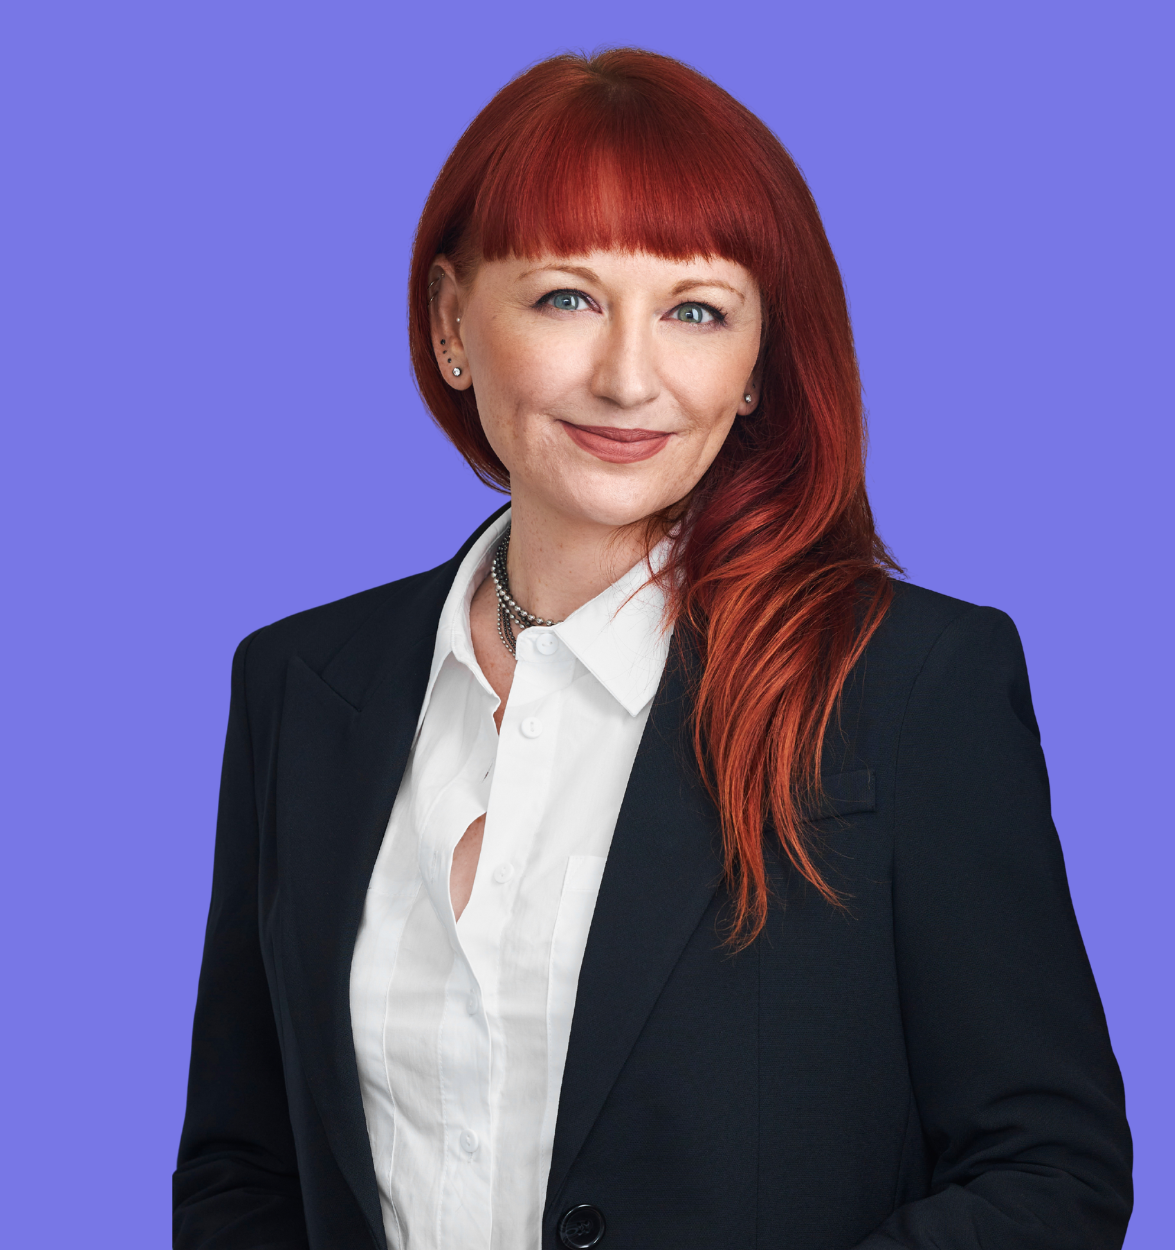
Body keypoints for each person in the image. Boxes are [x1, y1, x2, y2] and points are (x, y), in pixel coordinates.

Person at [172, 48, 1131, 1250]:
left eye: (695, 311)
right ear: (452, 322)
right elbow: (241, 1165)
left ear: (752, 370)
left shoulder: (907, 684)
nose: (628, 377)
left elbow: (1049, 1166)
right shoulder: (299, 685)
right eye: (566, 297)